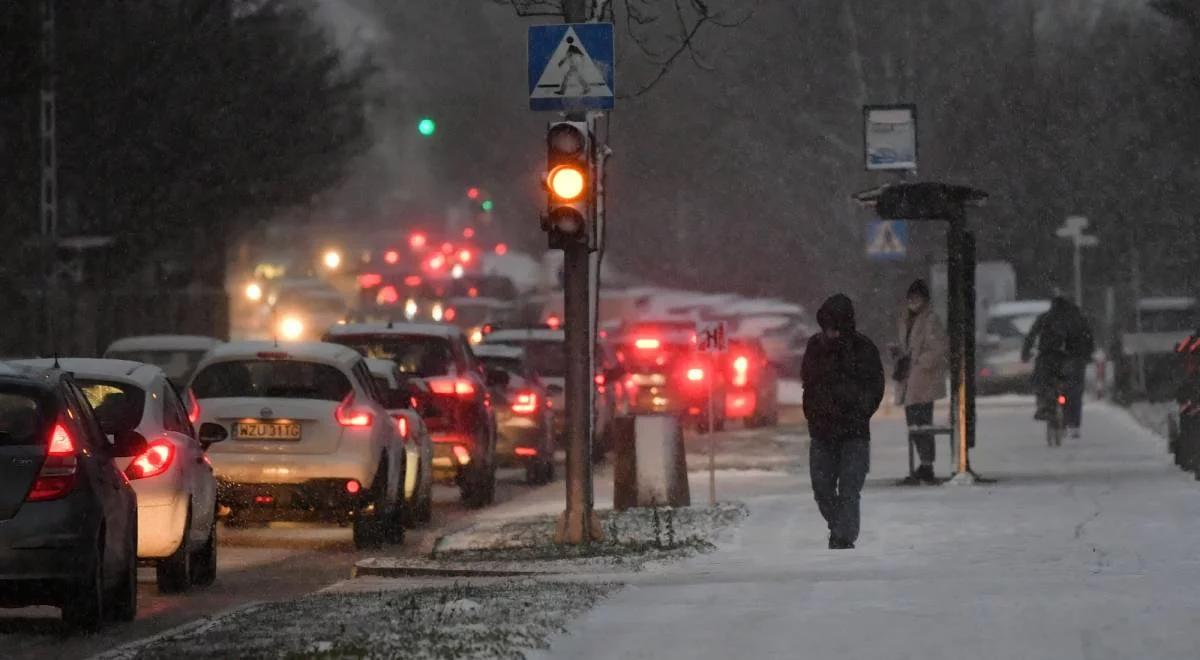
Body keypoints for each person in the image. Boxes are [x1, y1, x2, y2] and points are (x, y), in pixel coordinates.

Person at [801, 294, 885, 550]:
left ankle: (842, 538)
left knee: (849, 488)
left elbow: (875, 386)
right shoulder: (815, 348)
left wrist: (860, 410)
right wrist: (814, 413)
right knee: (822, 489)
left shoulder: (863, 348)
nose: (831, 332)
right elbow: (808, 383)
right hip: (822, 431)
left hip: (854, 432)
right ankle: (842, 527)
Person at [892, 279, 948, 485]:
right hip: (910, 378)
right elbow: (908, 345)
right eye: (911, 298)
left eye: (918, 297)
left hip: (924, 379)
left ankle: (927, 465)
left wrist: (918, 361)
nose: (913, 301)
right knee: (913, 424)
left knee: (922, 423)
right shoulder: (905, 319)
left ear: (925, 299)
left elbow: (938, 348)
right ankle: (924, 465)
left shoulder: (931, 320)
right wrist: (900, 353)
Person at [1021, 296, 1094, 437]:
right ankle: (1073, 422)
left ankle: (1044, 405)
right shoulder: (1078, 318)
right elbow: (1088, 337)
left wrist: (1025, 353)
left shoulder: (1046, 317)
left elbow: (1031, 335)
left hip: (1049, 356)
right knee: (1074, 390)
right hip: (1073, 359)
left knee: (1041, 380)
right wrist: (1087, 355)